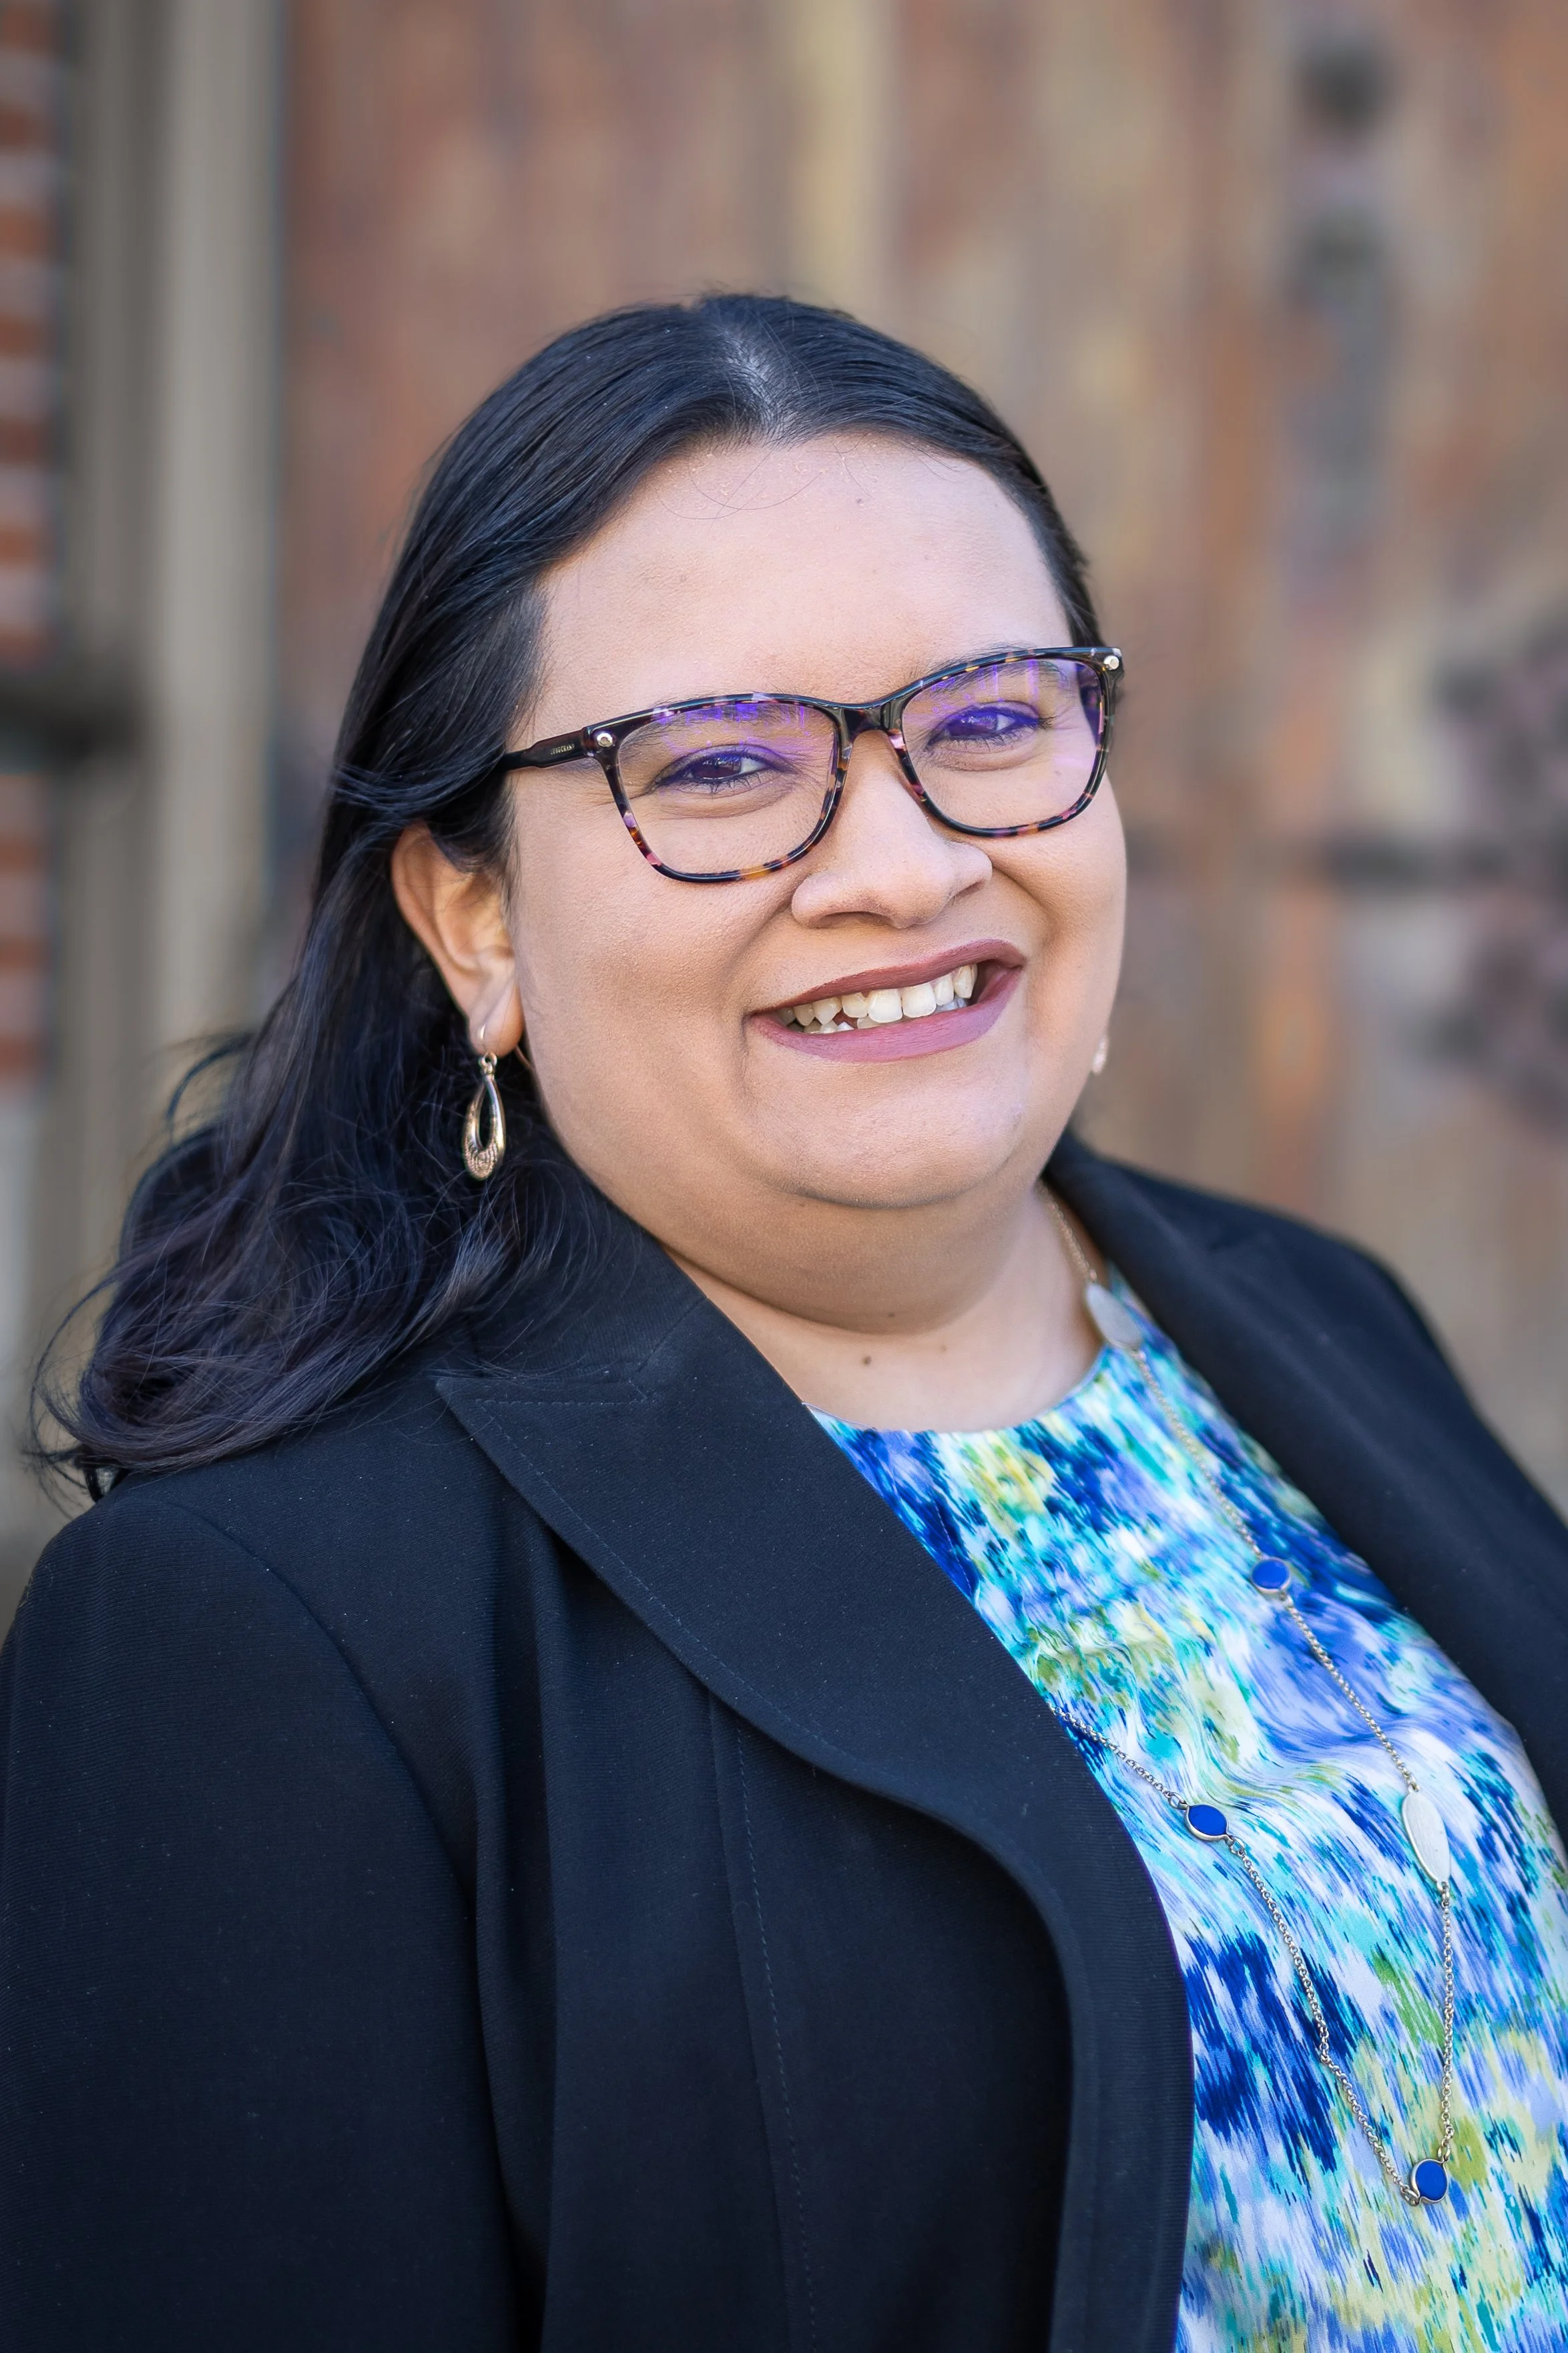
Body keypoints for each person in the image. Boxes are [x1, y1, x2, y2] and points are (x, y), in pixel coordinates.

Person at [4, 296, 1567, 2353]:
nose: (905, 865)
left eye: (991, 720)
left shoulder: (1304, 1317)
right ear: (472, 917)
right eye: (723, 767)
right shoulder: (255, 1629)